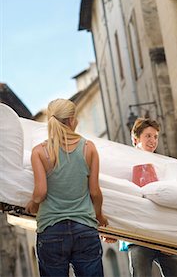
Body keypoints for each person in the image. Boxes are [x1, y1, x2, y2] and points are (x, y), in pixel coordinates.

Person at [25, 98, 108, 277]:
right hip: (84, 228)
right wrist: (99, 215)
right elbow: (95, 192)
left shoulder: (39, 152)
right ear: (71, 120)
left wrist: (32, 204)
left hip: (51, 230)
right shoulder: (88, 148)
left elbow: (40, 193)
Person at [120, 117, 177, 277]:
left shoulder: (163, 165)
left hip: (165, 234)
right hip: (139, 235)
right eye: (148, 136)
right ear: (136, 139)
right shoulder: (124, 163)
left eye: (155, 136)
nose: (153, 140)